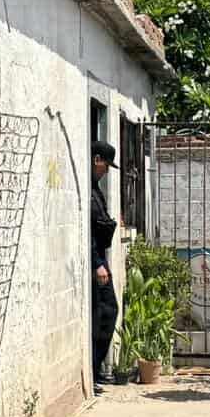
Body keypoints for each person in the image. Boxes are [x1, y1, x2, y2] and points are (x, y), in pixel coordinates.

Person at [90, 139, 119, 392]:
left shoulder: (95, 188)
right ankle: (93, 369)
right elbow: (87, 232)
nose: (106, 170)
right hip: (96, 262)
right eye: (106, 165)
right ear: (97, 160)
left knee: (106, 313)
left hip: (100, 259)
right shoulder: (89, 191)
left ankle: (95, 370)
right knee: (106, 312)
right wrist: (97, 264)